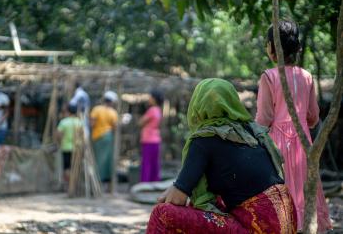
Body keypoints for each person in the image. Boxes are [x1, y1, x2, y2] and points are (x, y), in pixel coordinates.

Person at [146, 78, 297, 234]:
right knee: (210, 202)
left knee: (162, 213)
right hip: (287, 223)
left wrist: (170, 194)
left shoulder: (204, 138)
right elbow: (185, 184)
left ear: (197, 105)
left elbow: (177, 199)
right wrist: (177, 187)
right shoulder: (252, 132)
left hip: (258, 228)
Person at [255, 20, 331, 232]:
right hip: (305, 145)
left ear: (273, 46)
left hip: (276, 146)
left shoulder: (269, 76)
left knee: (280, 198)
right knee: (304, 193)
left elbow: (263, 119)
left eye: (267, 43)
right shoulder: (306, 77)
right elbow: (313, 117)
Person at [90, 91, 118, 184]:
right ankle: (105, 179)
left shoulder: (96, 109)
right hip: (108, 136)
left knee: (98, 158)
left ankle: (98, 179)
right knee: (106, 159)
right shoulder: (113, 112)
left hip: (97, 136)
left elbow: (92, 123)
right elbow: (114, 126)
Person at [139, 90, 163, 182]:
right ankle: (154, 183)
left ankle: (144, 184)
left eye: (151, 97)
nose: (149, 99)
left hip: (148, 140)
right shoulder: (158, 110)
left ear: (154, 99)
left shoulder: (151, 110)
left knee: (146, 164)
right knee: (154, 164)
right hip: (156, 140)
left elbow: (140, 122)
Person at [56, 104, 82, 186]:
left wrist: (60, 142)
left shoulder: (64, 122)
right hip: (77, 148)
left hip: (66, 148)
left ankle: (71, 184)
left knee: (67, 168)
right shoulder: (80, 122)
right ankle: (74, 184)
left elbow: (58, 134)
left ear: (68, 111)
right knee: (75, 167)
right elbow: (83, 135)